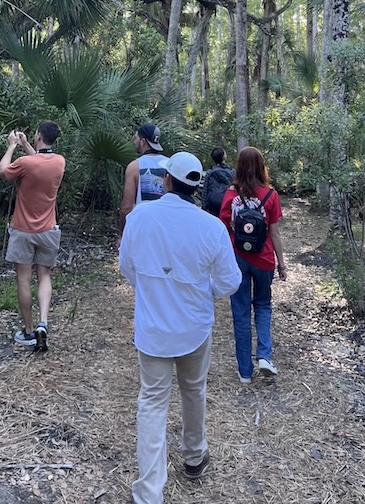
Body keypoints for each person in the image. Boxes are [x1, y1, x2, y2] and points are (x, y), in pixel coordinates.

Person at [119, 152, 241, 504]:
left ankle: (149, 491)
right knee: (193, 390)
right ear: (197, 187)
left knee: (153, 402)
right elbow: (229, 283)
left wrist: (153, 288)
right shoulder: (211, 227)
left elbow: (128, 267)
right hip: (194, 328)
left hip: (153, 329)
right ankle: (194, 457)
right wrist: (203, 291)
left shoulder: (141, 217)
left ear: (167, 181)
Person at [219, 146, 287, 383]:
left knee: (241, 312)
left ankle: (245, 371)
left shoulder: (230, 195)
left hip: (237, 260)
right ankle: (265, 357)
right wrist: (282, 265)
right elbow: (275, 233)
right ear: (261, 166)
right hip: (264, 260)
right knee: (263, 306)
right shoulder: (270, 195)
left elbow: (223, 228)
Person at [0, 121, 65, 351]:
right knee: (44, 276)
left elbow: (2, 171)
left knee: (23, 280)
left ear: (38, 135)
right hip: (48, 230)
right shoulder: (59, 162)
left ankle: (27, 331)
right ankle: (43, 323)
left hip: (23, 231)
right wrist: (27, 144)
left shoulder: (25, 163)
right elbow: (40, 161)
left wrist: (12, 146)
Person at [118, 124, 166, 239]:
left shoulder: (135, 166)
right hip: (165, 227)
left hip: (142, 228)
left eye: (136, 138)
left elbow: (126, 206)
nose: (134, 142)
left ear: (143, 141)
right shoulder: (170, 164)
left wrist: (122, 234)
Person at [201, 146, 234, 217]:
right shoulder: (232, 172)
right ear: (224, 157)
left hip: (212, 208)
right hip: (226, 205)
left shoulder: (209, 172)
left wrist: (204, 207)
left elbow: (205, 192)